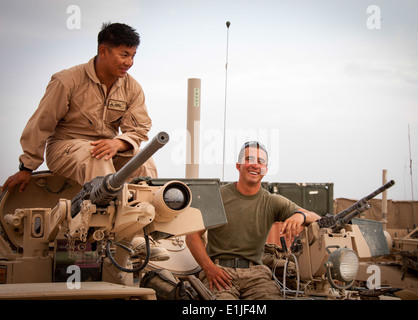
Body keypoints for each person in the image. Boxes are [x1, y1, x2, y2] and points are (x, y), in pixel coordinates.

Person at [1, 22, 157, 193]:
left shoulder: (132, 88)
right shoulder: (67, 81)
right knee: (97, 156)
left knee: (143, 159)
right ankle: (105, 212)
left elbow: (139, 129)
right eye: (124, 55)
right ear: (103, 51)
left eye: (133, 56)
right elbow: (41, 123)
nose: (129, 62)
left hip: (108, 149)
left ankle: (147, 214)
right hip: (64, 148)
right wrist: (26, 167)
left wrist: (117, 143)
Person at [186, 141, 321, 300]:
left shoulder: (271, 201)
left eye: (261, 161)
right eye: (249, 159)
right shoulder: (218, 197)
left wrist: (301, 216)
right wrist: (209, 269)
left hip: (256, 275)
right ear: (238, 165)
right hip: (220, 272)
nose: (255, 165)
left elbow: (317, 218)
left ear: (266, 169)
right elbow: (192, 236)